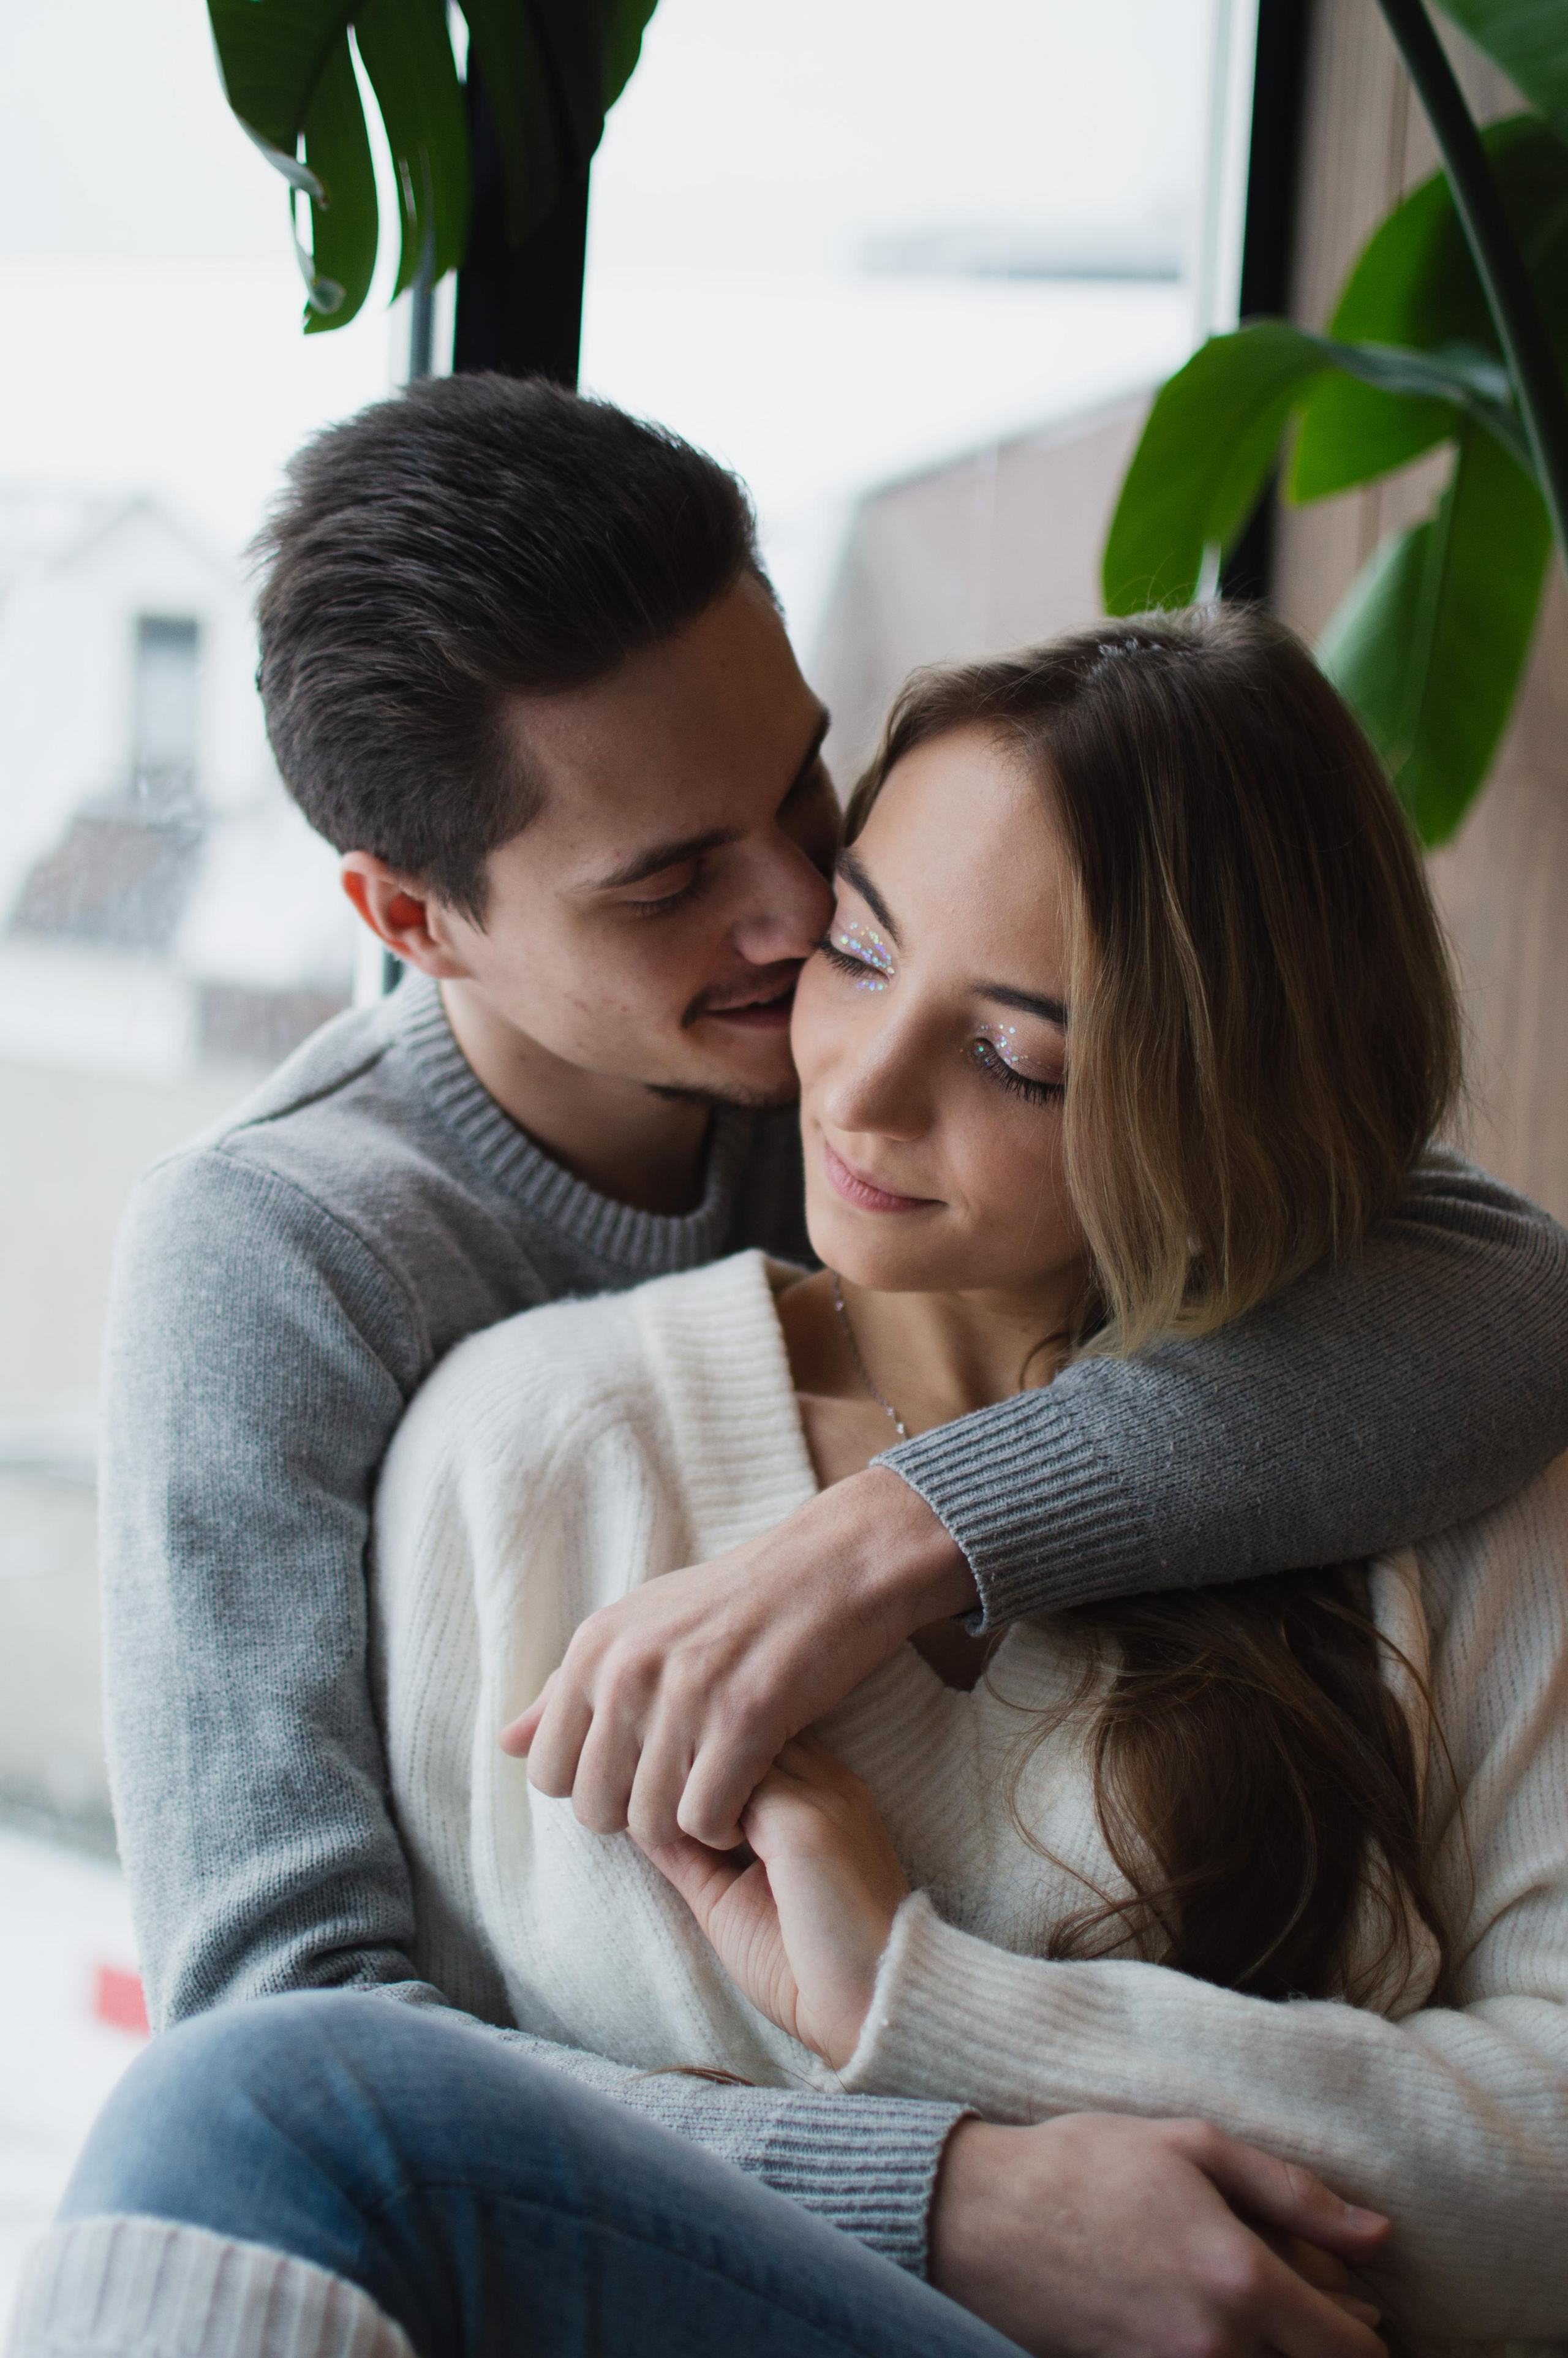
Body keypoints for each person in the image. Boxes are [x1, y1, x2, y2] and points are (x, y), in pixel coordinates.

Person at [75, 379, 1568, 2333]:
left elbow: (1498, 1296)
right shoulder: (283, 1259)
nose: (798, 930)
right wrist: (943, 2188)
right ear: (410, 916)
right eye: (672, 880)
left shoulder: (888, 1044)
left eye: (803, 789)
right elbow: (303, 2028)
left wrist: (896, 1535)